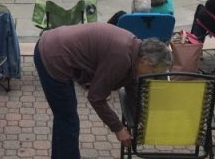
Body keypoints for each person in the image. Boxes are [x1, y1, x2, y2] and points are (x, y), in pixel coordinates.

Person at [34, 23, 172, 158]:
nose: (151, 76)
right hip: (52, 55)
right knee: (69, 120)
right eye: (153, 71)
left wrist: (139, 119)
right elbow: (96, 97)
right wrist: (118, 128)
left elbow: (132, 86)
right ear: (146, 60)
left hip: (55, 45)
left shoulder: (134, 49)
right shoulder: (121, 57)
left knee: (64, 118)